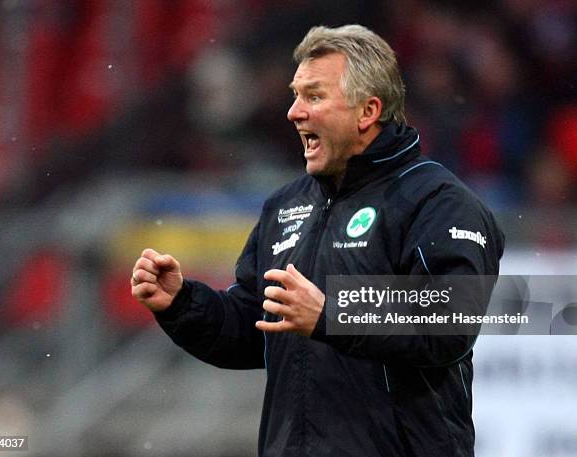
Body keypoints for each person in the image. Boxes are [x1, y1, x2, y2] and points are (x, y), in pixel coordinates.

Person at [131, 24, 504, 457]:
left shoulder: (439, 202)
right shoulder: (285, 207)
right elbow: (255, 325)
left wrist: (333, 312)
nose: (293, 111)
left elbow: (450, 318)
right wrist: (181, 303)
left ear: (367, 112)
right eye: (295, 94)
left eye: (313, 96)